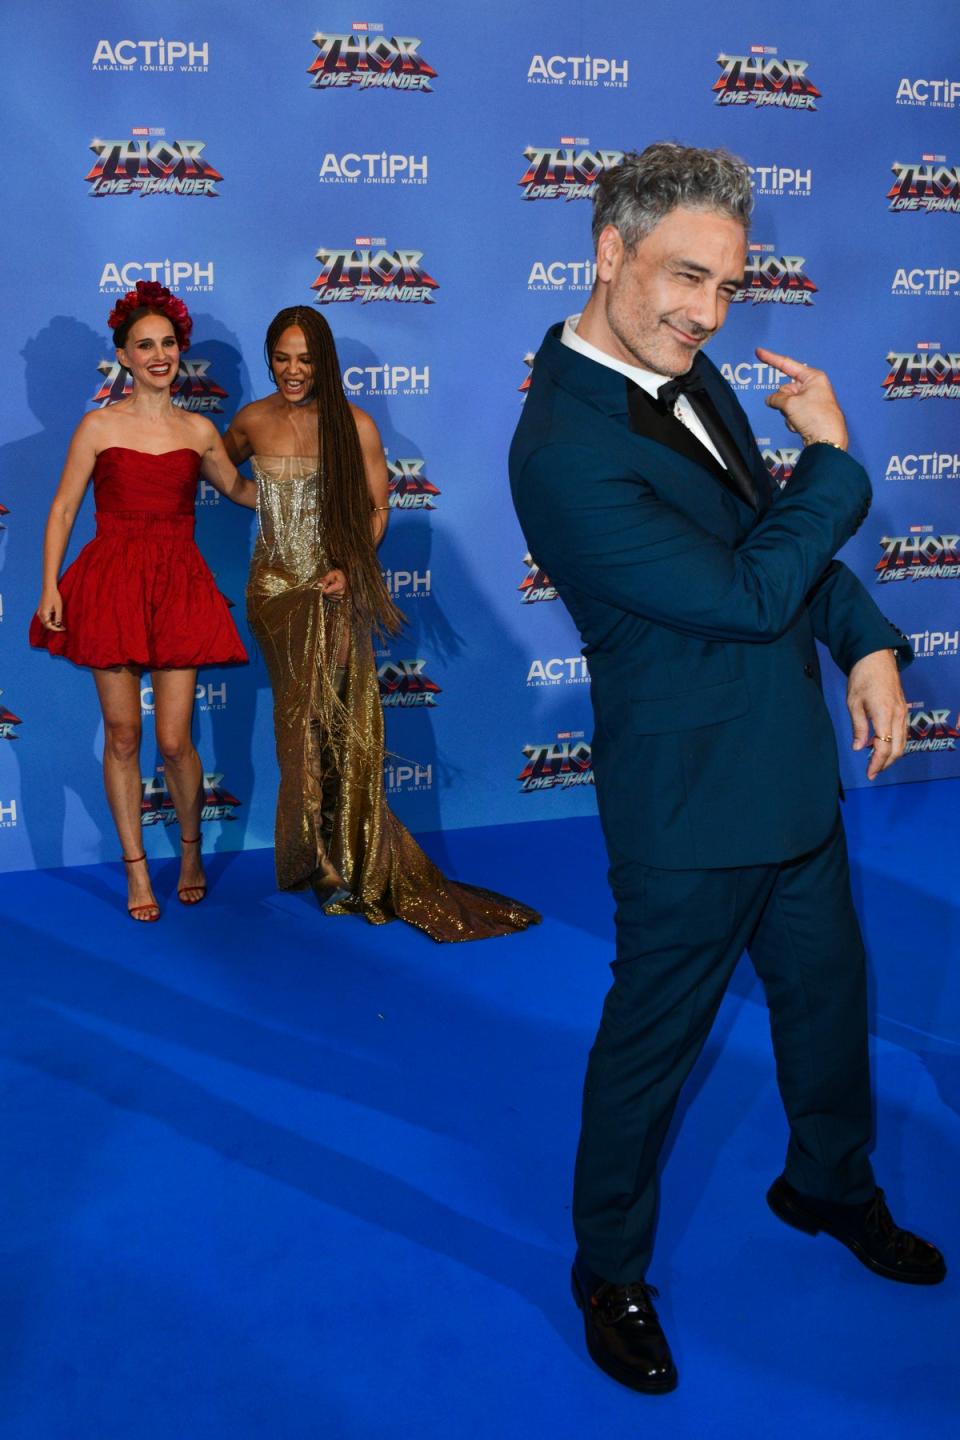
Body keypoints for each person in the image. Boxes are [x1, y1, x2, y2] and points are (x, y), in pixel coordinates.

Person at [509, 143, 945, 1394]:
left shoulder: (687, 375)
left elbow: (765, 529)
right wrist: (839, 463)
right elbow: (752, 592)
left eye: (726, 287)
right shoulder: (560, 448)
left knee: (827, 1005)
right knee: (651, 1050)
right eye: (684, 278)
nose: (706, 313)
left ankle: (827, 1186)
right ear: (610, 253)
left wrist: (863, 640)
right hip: (690, 808)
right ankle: (607, 1268)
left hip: (793, 777)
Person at [224, 306, 539, 942]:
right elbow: (227, 475)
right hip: (273, 593)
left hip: (335, 591)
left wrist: (351, 564)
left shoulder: (354, 425)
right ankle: (316, 857)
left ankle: (354, 856)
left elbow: (377, 509)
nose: (292, 370)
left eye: (305, 359)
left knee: (344, 721)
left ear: (324, 361)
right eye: (281, 358)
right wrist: (269, 499)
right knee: (298, 729)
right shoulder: (251, 420)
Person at [31, 281, 256, 921]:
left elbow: (239, 491)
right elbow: (64, 508)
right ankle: (136, 869)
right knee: (124, 735)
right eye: (144, 345)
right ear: (124, 357)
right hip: (110, 579)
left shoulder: (199, 429)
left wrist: (306, 490)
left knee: (176, 741)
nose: (159, 354)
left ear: (178, 351)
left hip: (177, 581)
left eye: (168, 344)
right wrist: (50, 584)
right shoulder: (98, 425)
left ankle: (189, 851)